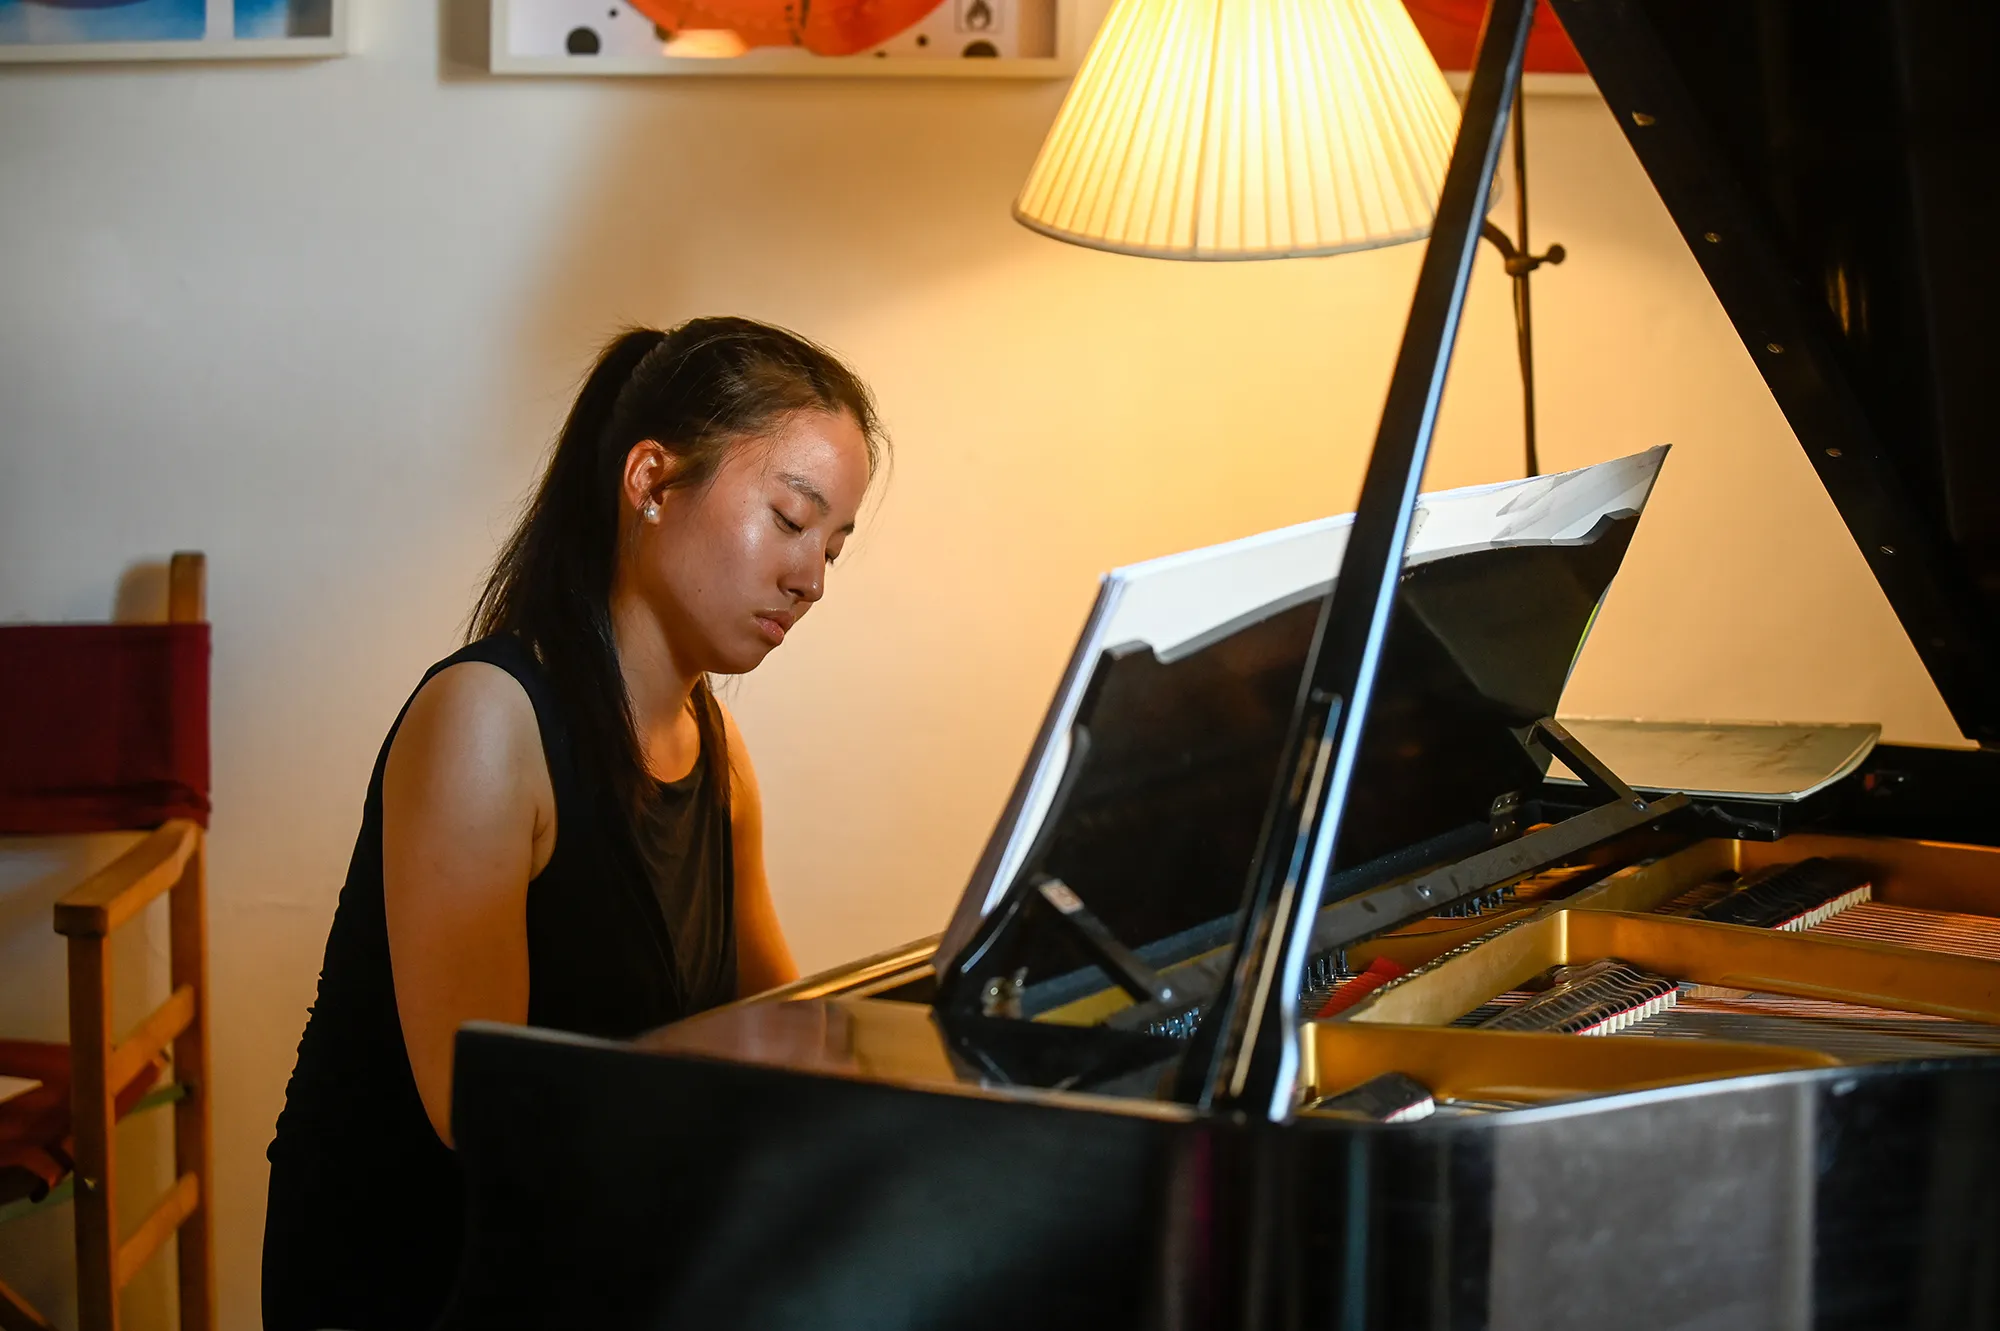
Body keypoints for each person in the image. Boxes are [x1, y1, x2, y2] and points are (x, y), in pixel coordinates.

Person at [262, 317, 884, 1330]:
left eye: (833, 545)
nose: (809, 577)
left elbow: (782, 1023)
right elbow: (485, 1112)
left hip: (594, 1250)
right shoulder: (486, 719)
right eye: (788, 518)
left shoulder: (712, 753)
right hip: (419, 1280)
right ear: (649, 480)